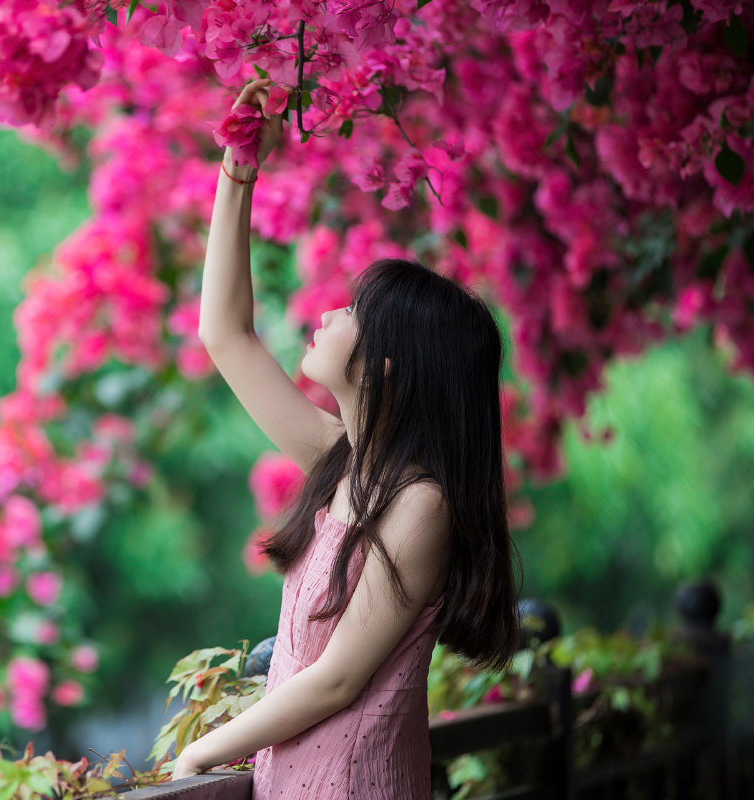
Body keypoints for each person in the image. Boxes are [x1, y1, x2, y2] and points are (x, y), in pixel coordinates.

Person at [168, 78, 520, 799]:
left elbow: (337, 679)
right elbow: (226, 334)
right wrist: (239, 166)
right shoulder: (344, 466)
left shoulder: (421, 505)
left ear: (388, 364)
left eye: (353, 311)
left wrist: (203, 751)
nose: (327, 314)